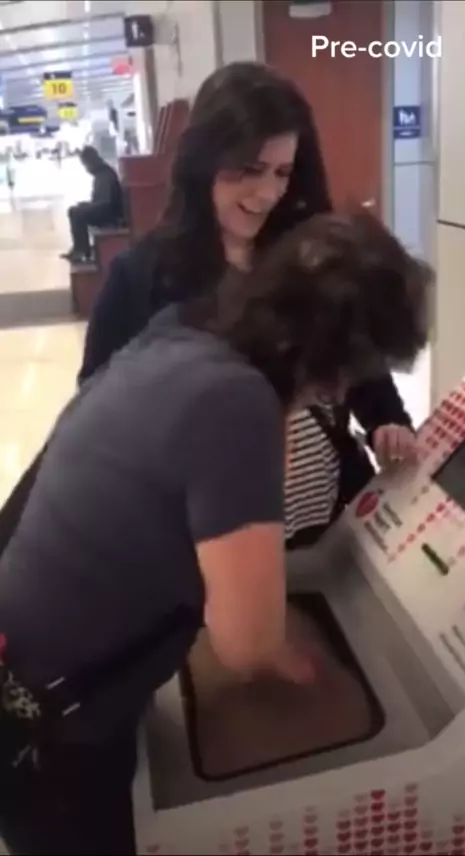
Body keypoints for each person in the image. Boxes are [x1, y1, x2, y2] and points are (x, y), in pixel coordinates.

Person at [0, 209, 431, 856]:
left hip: (33, 668)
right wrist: (296, 663)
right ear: (335, 360)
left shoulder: (183, 332)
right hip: (51, 730)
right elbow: (247, 644)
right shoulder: (238, 404)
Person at [79, 61, 418, 549]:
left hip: (324, 521)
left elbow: (353, 356)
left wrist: (388, 419)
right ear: (205, 161)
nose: (267, 193)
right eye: (250, 170)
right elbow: (98, 412)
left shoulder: (310, 253)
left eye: (283, 172)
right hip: (212, 542)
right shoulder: (143, 276)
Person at [61, 146, 124, 264]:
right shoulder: (102, 173)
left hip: (110, 214)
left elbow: (105, 203)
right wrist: (87, 205)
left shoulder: (105, 175)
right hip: (107, 210)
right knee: (77, 210)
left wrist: (88, 207)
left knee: (76, 213)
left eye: (86, 165)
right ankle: (81, 248)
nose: (86, 168)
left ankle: (80, 249)